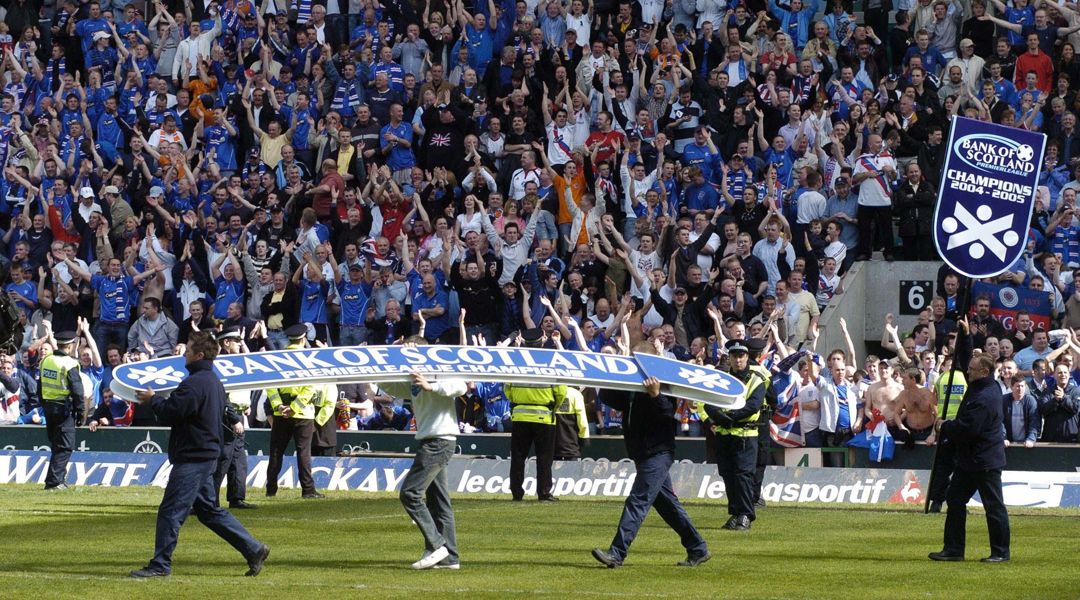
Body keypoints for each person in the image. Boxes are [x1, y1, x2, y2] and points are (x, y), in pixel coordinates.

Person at [129, 331, 270, 578]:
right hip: (205, 455)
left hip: (193, 457)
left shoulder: (195, 383)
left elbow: (173, 411)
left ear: (199, 354)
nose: (184, 353)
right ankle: (253, 548)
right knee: (209, 511)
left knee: (171, 511)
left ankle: (160, 564)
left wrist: (153, 400)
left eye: (188, 349)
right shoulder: (212, 381)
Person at [591, 342, 710, 569]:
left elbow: (668, 413)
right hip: (644, 453)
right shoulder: (632, 388)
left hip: (658, 452)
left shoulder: (664, 384)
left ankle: (617, 553)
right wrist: (614, 371)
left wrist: (655, 395)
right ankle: (697, 547)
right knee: (667, 505)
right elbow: (608, 397)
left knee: (637, 501)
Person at [383, 343, 468, 570]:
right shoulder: (412, 379)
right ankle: (450, 557)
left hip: (439, 441)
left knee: (410, 493)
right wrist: (384, 359)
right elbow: (390, 386)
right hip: (433, 440)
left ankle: (437, 545)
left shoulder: (441, 370)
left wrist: (431, 386)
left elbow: (460, 386)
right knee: (440, 502)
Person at [929, 353, 1010, 563]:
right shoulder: (983, 385)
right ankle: (954, 549)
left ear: (984, 371)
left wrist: (944, 425)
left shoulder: (985, 397)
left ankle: (1001, 552)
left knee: (993, 506)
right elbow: (968, 360)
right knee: (955, 499)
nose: (968, 372)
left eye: (972, 370)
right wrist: (965, 335)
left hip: (984, 460)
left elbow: (968, 429)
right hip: (970, 459)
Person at [703, 339, 768, 530]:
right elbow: (708, 403)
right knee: (728, 474)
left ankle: (746, 515)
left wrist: (729, 416)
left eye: (741, 356)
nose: (738, 360)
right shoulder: (722, 378)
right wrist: (721, 417)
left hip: (746, 434)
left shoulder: (757, 379)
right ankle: (735, 513)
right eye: (734, 356)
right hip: (725, 434)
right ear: (729, 358)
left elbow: (753, 406)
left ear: (747, 357)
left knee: (743, 476)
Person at [505, 328, 567, 502]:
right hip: (545, 417)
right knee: (544, 458)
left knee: (518, 457)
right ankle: (544, 493)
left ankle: (517, 493)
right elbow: (561, 391)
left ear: (524, 342)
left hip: (520, 417)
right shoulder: (551, 362)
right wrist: (553, 408)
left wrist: (519, 402)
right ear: (543, 340)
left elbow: (507, 389)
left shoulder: (516, 364)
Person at [264, 324, 325, 500]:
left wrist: (278, 406)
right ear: (303, 338)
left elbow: (270, 386)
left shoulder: (278, 358)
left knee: (276, 451)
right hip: (303, 413)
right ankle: (308, 490)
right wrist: (295, 408)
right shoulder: (308, 358)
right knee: (303, 452)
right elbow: (310, 387)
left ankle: (270, 489)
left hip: (280, 413)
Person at [213, 327, 255, 509]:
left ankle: (236, 498)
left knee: (238, 460)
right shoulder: (221, 365)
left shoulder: (238, 362)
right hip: (227, 417)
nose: (240, 344)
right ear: (226, 343)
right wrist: (234, 419)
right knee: (222, 461)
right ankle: (209, 500)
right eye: (237, 341)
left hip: (239, 414)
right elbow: (223, 397)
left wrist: (247, 404)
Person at [39, 331, 85, 491]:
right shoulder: (70, 364)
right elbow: (78, 391)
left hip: (49, 408)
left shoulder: (46, 360)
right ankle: (54, 482)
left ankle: (59, 479)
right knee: (65, 446)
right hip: (64, 410)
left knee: (56, 444)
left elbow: (40, 386)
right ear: (71, 345)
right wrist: (80, 414)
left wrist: (44, 405)